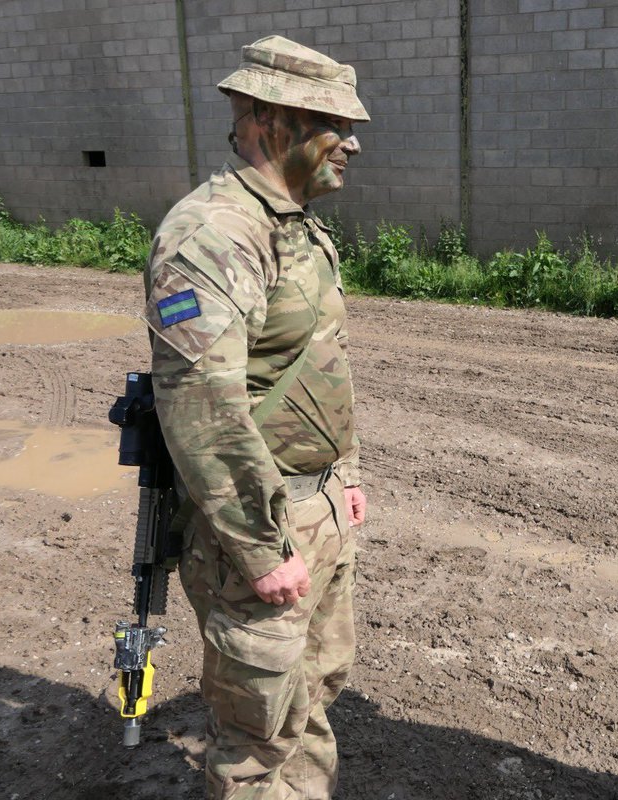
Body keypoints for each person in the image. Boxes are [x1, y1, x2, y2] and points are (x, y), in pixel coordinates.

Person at [143, 35, 370, 799]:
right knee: (258, 729)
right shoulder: (213, 233)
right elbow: (202, 402)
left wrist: (347, 476)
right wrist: (261, 545)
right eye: (336, 124)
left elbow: (319, 361)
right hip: (262, 528)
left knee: (314, 696)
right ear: (273, 119)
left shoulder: (294, 223)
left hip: (319, 505)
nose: (355, 143)